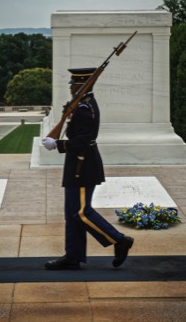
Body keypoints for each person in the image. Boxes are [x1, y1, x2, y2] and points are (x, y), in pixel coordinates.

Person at [42, 67, 134, 270]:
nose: (71, 87)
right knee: (72, 213)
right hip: (78, 164)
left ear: (82, 85)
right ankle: (73, 256)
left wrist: (57, 144)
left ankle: (120, 240)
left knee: (81, 212)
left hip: (83, 166)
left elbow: (83, 140)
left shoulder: (85, 108)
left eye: (74, 84)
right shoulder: (82, 104)